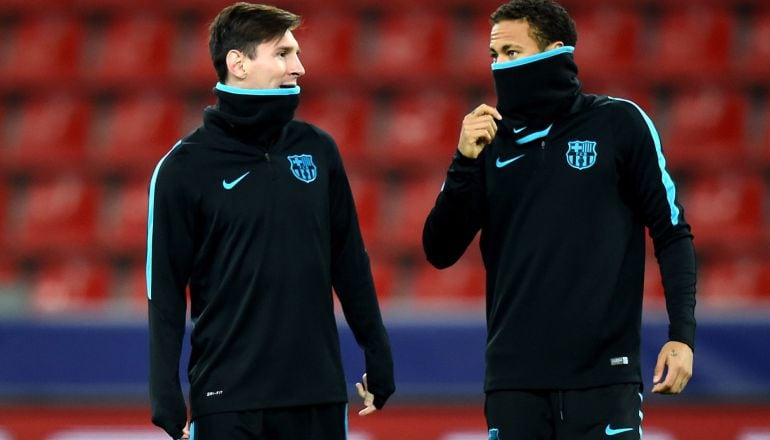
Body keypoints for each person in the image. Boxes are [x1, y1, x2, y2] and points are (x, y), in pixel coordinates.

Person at [422, 1, 696, 438]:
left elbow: (672, 233)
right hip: (514, 382)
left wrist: (681, 335)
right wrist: (463, 162)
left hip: (604, 377)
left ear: (554, 51)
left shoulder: (619, 123)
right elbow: (438, 250)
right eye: (494, 56)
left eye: (512, 52)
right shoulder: (488, 142)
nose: (499, 66)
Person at [146, 3, 395, 439]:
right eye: (282, 53)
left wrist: (377, 351)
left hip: (316, 395)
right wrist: (165, 390)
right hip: (228, 399)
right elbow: (164, 289)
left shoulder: (318, 149)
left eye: (296, 53)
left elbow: (350, 261)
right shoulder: (183, 167)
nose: (299, 66)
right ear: (237, 63)